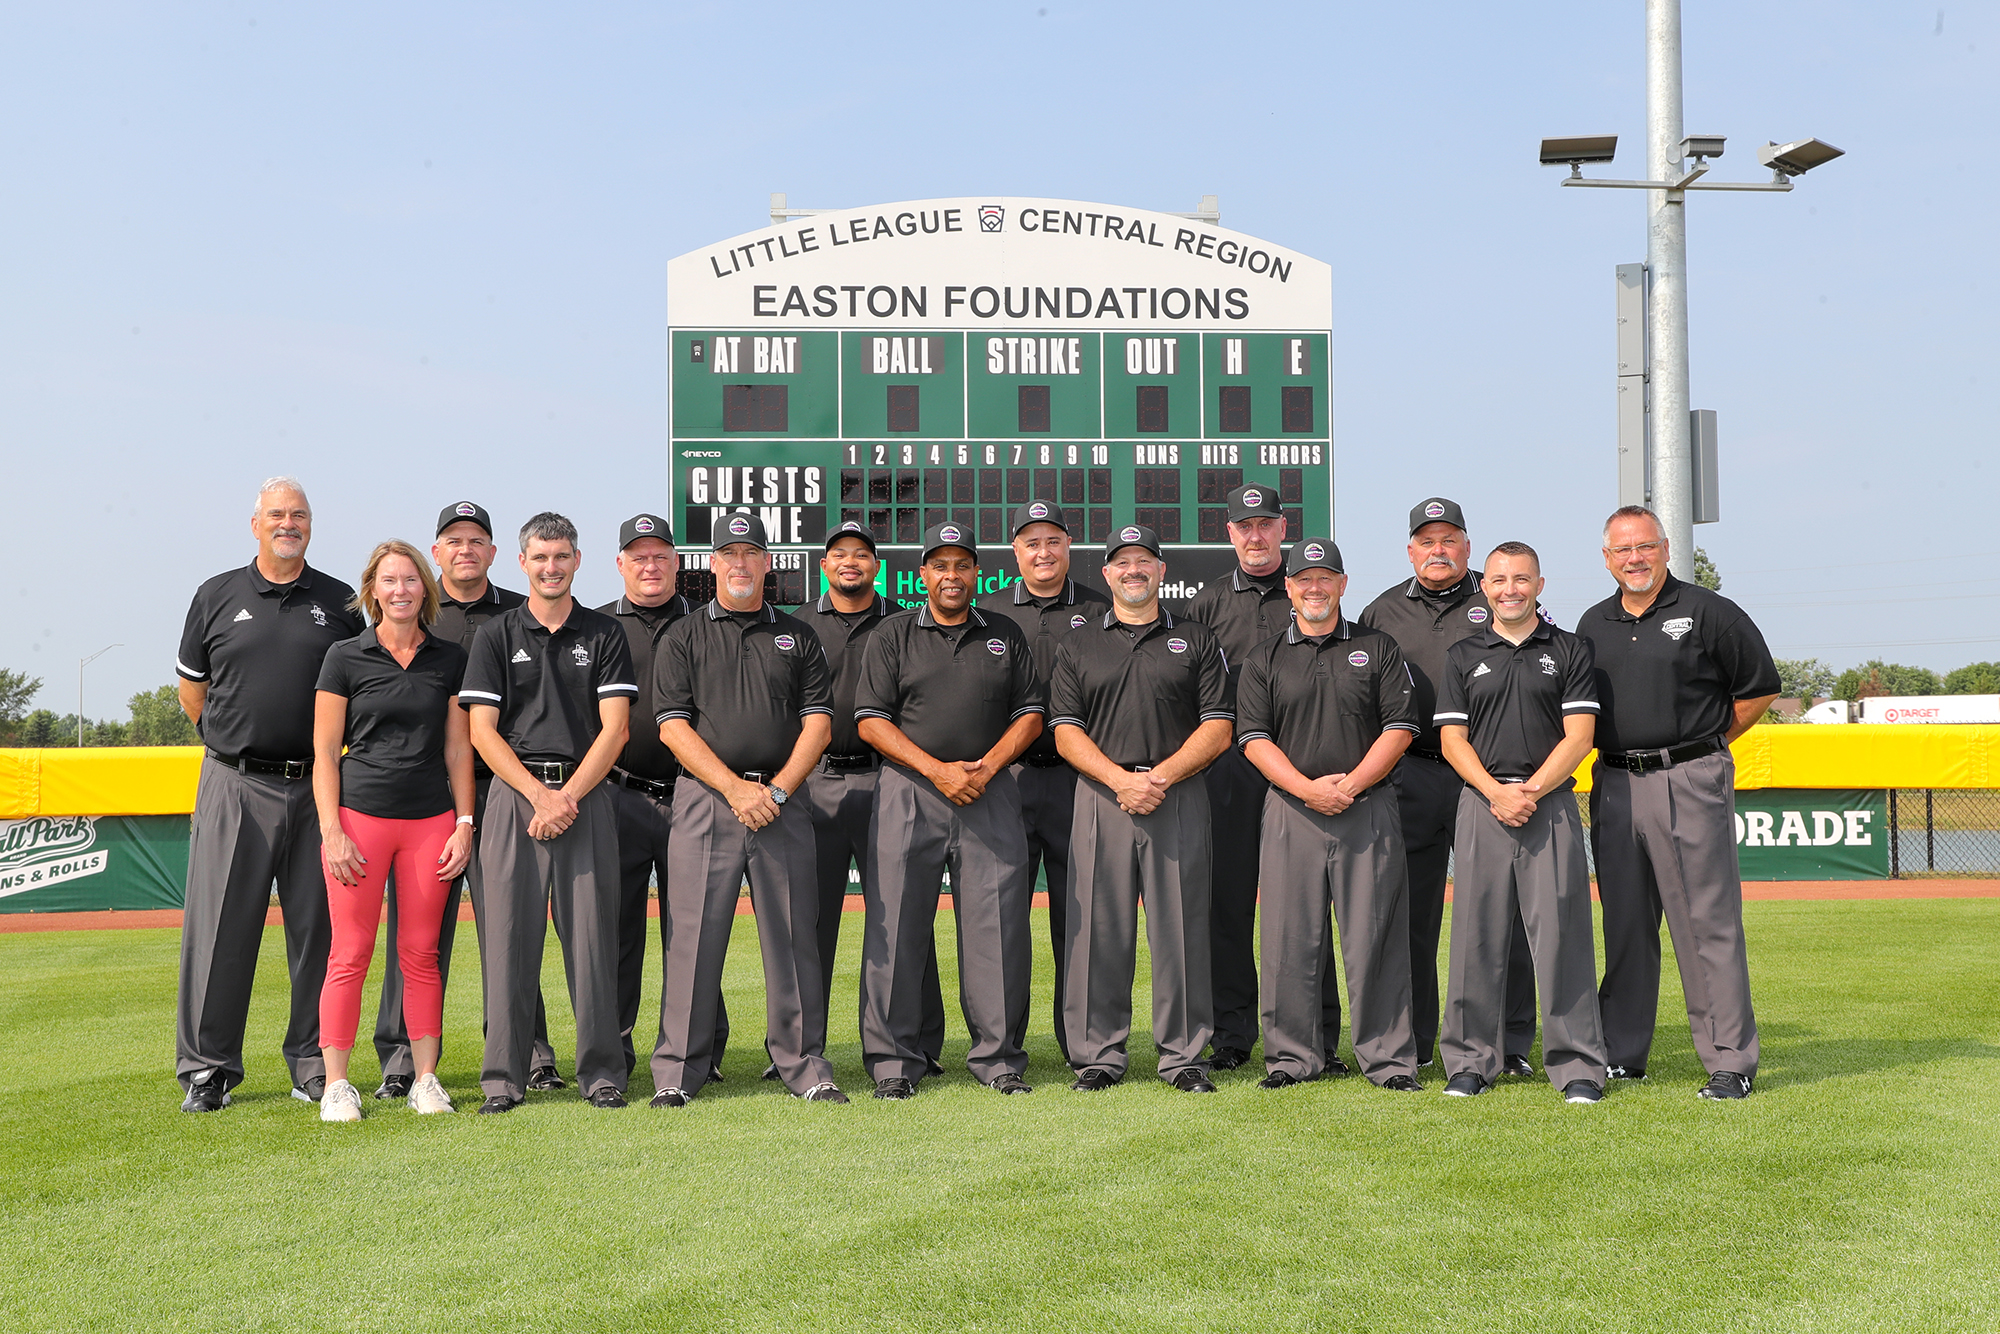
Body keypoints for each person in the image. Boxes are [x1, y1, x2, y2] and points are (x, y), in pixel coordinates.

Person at [174, 477, 364, 1113]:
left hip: (318, 785)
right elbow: (192, 693)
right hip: (235, 780)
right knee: (221, 928)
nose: (290, 524)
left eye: (300, 515)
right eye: (278, 514)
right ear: (255, 523)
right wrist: (231, 746)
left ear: (312, 525)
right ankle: (208, 1069)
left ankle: (312, 1062)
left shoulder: (340, 601)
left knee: (319, 929)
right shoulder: (216, 594)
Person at [1577, 506, 1778, 1099]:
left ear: (1665, 548)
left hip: (1689, 776)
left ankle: (1729, 1062)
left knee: (1705, 923)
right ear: (1606, 558)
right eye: (1621, 550)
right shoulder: (1593, 622)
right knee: (1626, 923)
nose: (1634, 558)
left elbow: (1760, 687)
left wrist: (1707, 745)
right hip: (1613, 782)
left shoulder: (1707, 610)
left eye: (1644, 546)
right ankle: (1622, 1054)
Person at [648, 513, 848, 1107]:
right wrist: (736, 789)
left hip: (782, 802)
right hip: (707, 800)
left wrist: (778, 791)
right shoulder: (682, 636)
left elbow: (818, 724)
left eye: (750, 553)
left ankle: (805, 1066)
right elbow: (672, 727)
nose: (739, 563)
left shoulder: (798, 633)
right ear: (711, 565)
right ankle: (677, 1074)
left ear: (767, 563)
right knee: (693, 939)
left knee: (792, 938)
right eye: (727, 553)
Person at [370, 501, 560, 1100]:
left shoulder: (520, 611)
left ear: (495, 552)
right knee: (417, 933)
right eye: (453, 540)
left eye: (476, 540)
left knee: (512, 928)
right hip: (427, 800)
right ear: (437, 552)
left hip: (504, 790)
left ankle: (529, 1052)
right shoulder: (421, 616)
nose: (465, 549)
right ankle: (401, 1058)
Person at [854, 522, 1044, 1099]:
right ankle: (894, 1063)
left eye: (962, 565)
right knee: (896, 927)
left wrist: (986, 767)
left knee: (998, 929)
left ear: (976, 573)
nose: (952, 576)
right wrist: (936, 770)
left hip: (989, 788)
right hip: (910, 789)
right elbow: (870, 719)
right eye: (940, 566)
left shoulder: (1004, 632)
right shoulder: (892, 634)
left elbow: (1031, 714)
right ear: (923, 574)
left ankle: (999, 1060)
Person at [458, 512, 636, 1113]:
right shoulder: (496, 635)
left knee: (591, 942)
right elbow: (482, 732)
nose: (551, 567)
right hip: (515, 800)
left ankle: (602, 1073)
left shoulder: (605, 632)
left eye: (561, 557)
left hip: (587, 797)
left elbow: (615, 731)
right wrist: (540, 795)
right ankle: (503, 1080)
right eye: (540, 558)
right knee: (507, 943)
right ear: (523, 561)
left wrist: (568, 797)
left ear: (577, 561)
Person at [1234, 538, 1425, 1092]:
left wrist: (1352, 785)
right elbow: (1253, 738)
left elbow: (1400, 728)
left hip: (1367, 807)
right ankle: (1292, 1059)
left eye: (1326, 578)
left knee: (1376, 937)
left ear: (1343, 584)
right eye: (1304, 579)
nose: (1314, 588)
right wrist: (1306, 789)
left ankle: (1388, 1061)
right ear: (1288, 589)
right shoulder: (1264, 657)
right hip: (1292, 809)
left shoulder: (1378, 647)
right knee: (1289, 940)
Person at [1050, 524, 1233, 1093]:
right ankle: (1098, 1055)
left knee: (1181, 928)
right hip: (1102, 795)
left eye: (1144, 561)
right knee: (1098, 930)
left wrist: (1158, 777)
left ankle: (1183, 1057)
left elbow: (1219, 727)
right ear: (1105, 574)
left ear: (1161, 571)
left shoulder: (1196, 639)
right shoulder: (1079, 643)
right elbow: (1065, 730)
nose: (1133, 570)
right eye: (1122, 563)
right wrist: (1119, 780)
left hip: (1176, 794)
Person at [1358, 498, 1538, 1074]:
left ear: (1467, 546)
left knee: (1502, 912)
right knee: (1408, 915)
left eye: (1450, 540)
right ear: (1411, 550)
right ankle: (1411, 1041)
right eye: (1427, 541)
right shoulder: (1380, 611)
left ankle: (1508, 1043)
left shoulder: (1501, 595)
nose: (1438, 551)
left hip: (1485, 779)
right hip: (1408, 773)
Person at [1435, 542, 1608, 1104]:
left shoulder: (1569, 649)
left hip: (1548, 804)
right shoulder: (1463, 654)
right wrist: (1495, 792)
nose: (1510, 588)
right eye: (1500, 579)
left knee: (1562, 937)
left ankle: (1577, 1064)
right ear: (1485, 587)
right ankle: (1469, 1061)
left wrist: (1530, 790)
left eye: (1522, 579)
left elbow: (1579, 736)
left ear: (1540, 584)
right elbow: (1451, 739)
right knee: (1474, 939)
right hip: (1481, 805)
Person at [310, 540, 475, 1120]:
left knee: (420, 953)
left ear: (425, 589)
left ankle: (426, 1079)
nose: (400, 589)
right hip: (359, 821)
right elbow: (326, 751)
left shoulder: (450, 659)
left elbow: (459, 751)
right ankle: (336, 1084)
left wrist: (464, 823)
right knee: (349, 952)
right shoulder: (343, 656)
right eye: (389, 580)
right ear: (372, 590)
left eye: (410, 580)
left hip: (430, 822)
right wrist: (332, 829)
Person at [1184, 484, 1330, 1070]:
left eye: (1265, 524)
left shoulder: (1312, 589)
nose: (1256, 535)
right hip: (1230, 772)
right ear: (1230, 533)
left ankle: (1315, 1032)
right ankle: (1233, 1034)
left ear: (1282, 527)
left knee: (1309, 907)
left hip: (1305, 768)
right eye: (1244, 526)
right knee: (1230, 904)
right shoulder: (1208, 602)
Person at [793, 522, 946, 1078]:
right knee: (809, 923)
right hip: (816, 783)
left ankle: (921, 1043)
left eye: (861, 555)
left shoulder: (905, 623)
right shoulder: (797, 626)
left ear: (877, 566)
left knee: (903, 917)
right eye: (839, 555)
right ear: (825, 565)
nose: (850, 563)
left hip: (892, 781)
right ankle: (798, 1048)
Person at [595, 514, 729, 1083]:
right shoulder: (596, 626)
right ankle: (617, 1051)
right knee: (619, 931)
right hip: (621, 794)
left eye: (660, 556)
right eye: (638, 556)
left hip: (695, 797)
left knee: (696, 929)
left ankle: (703, 1049)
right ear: (620, 564)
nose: (650, 566)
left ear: (678, 563)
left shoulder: (706, 624)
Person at [981, 501, 1110, 1062]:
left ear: (1068, 546)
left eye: (1053, 540)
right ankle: (1004, 1045)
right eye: (1031, 543)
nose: (1042, 552)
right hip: (1006, 780)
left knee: (1077, 918)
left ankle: (1080, 1044)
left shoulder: (1103, 611)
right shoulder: (987, 614)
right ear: (1016, 551)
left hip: (1076, 782)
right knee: (1002, 917)